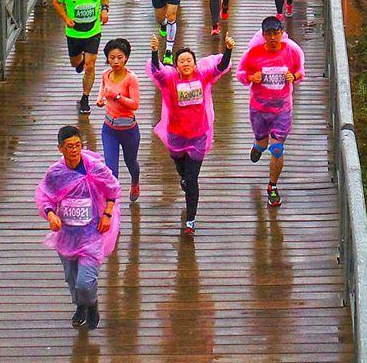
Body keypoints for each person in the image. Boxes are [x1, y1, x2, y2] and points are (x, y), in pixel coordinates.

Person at [36, 125, 119, 330]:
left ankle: (92, 305)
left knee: (85, 281)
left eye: (77, 145)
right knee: (72, 279)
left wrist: (107, 214)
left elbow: (112, 190)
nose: (74, 150)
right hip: (67, 234)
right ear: (60, 148)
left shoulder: (94, 168)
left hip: (91, 234)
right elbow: (45, 196)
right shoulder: (56, 173)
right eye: (69, 146)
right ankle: (80, 306)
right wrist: (51, 214)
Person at [148, 37, 234, 234]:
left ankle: (190, 220)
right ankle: (184, 179)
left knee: (192, 179)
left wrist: (228, 49)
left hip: (198, 136)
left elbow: (221, 67)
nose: (186, 64)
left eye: (189, 60)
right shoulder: (170, 79)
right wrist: (155, 52)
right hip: (176, 136)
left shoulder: (202, 76)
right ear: (177, 66)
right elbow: (157, 71)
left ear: (195, 63)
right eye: (181, 61)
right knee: (181, 170)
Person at [239, 17, 304, 209]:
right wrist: (252, 77)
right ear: (263, 35)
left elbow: (301, 71)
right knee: (262, 142)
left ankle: (272, 186)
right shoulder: (253, 53)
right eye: (269, 34)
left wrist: (294, 76)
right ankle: (258, 147)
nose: (273, 38)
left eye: (276, 33)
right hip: (259, 109)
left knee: (277, 149)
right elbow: (240, 75)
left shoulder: (291, 51)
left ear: (282, 33)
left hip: (282, 110)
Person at [52, 0, 110, 114]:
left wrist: (104, 10)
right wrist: (66, 18)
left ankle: (85, 98)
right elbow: (56, 2)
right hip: (74, 32)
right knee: (75, 63)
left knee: (90, 65)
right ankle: (81, 60)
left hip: (93, 31)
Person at [98, 39, 142, 203]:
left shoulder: (131, 79)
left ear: (126, 58)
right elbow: (103, 89)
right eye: (112, 57)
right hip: (109, 129)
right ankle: (112, 208)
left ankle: (135, 181)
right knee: (111, 170)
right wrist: (101, 99)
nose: (115, 61)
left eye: (119, 57)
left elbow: (135, 105)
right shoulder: (105, 74)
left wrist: (116, 97)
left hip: (128, 129)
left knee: (131, 162)